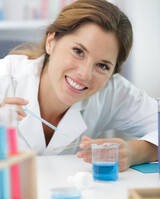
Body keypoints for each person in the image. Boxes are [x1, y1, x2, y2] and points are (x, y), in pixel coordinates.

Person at [0, 0, 158, 171]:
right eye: (78, 51)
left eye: (102, 66)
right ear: (51, 41)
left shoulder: (110, 91)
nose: (85, 74)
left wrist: (136, 152)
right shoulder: (5, 78)